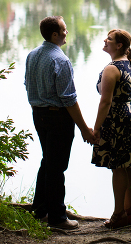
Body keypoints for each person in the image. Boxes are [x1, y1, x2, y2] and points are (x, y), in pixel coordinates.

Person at [25, 16, 96, 230]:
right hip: (57, 117)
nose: (67, 32)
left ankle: (40, 209)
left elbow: (28, 85)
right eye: (64, 29)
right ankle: (57, 218)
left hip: (38, 114)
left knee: (48, 161)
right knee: (57, 167)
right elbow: (69, 100)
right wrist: (85, 129)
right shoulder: (60, 60)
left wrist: (38, 108)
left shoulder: (32, 55)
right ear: (54, 34)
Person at [92, 28, 131, 229]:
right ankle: (129, 211)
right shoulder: (129, 64)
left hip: (117, 120)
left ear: (119, 45)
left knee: (118, 167)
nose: (105, 40)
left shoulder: (111, 69)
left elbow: (105, 102)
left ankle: (118, 214)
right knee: (126, 165)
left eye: (110, 38)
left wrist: (95, 129)